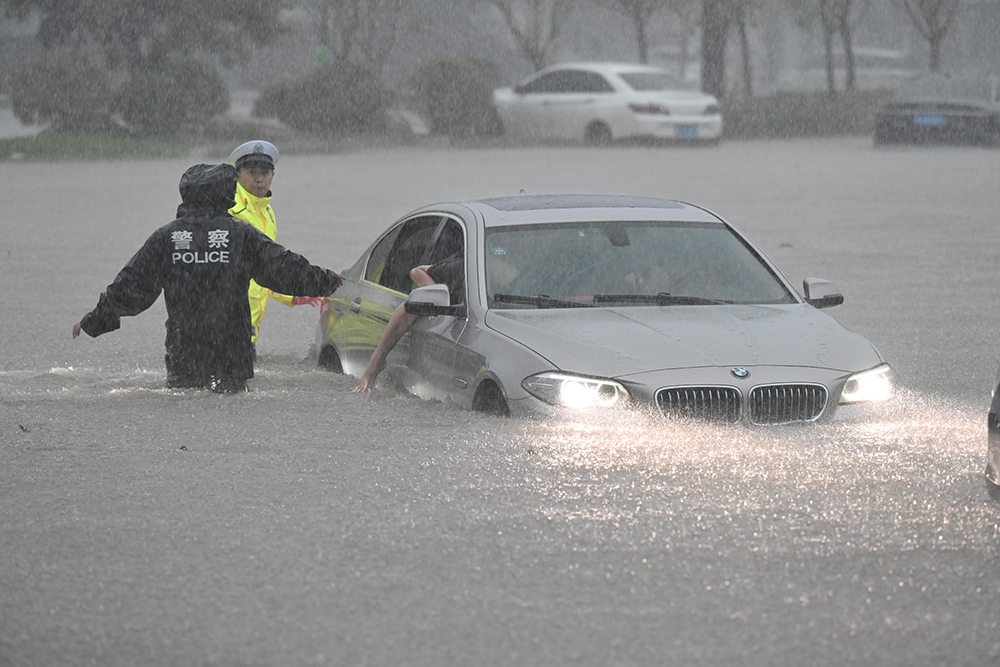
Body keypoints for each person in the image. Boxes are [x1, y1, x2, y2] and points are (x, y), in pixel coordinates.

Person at [72, 163, 344, 394]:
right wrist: (330, 282)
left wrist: (94, 319)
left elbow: (131, 286)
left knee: (186, 405)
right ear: (225, 193)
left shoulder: (166, 238)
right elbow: (284, 267)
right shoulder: (240, 235)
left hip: (184, 348)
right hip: (232, 347)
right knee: (231, 411)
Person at [227, 140, 320, 347]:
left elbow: (268, 266)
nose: (259, 179)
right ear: (237, 175)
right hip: (228, 318)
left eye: (265, 173)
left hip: (249, 321)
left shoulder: (267, 214)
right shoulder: (229, 209)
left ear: (273, 176)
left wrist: (291, 295)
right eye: (252, 172)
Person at [353, 254, 463, 393]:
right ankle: (376, 361)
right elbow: (417, 271)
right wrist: (434, 295)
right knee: (410, 306)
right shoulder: (462, 267)